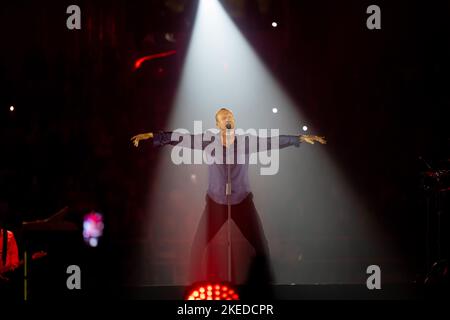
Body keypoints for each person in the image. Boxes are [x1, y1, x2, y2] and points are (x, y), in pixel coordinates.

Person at [131, 107, 326, 285]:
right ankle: (192, 286)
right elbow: (181, 138)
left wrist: (297, 139)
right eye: (223, 117)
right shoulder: (208, 141)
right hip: (216, 203)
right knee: (198, 246)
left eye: (230, 116)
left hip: (242, 202)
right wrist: (152, 136)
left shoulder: (246, 142)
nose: (228, 118)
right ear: (217, 124)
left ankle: (266, 285)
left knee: (260, 245)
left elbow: (271, 142)